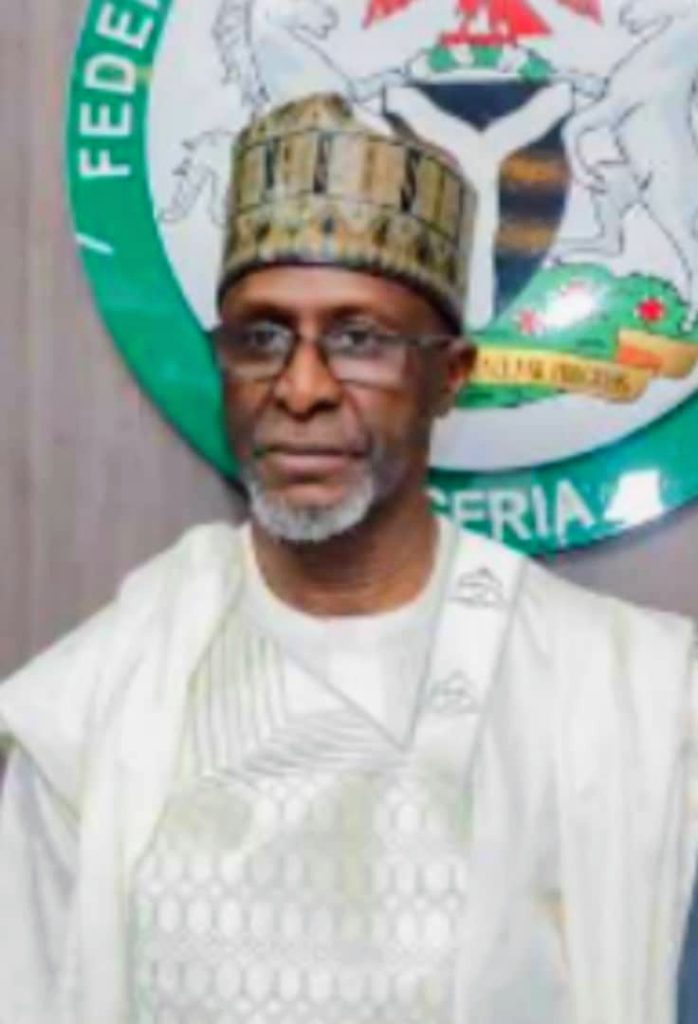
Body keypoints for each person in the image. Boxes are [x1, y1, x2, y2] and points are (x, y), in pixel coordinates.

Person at [0, 92, 696, 1024]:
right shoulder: (87, 709)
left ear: (448, 376)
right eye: (261, 337)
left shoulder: (628, 700)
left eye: (359, 339)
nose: (301, 388)